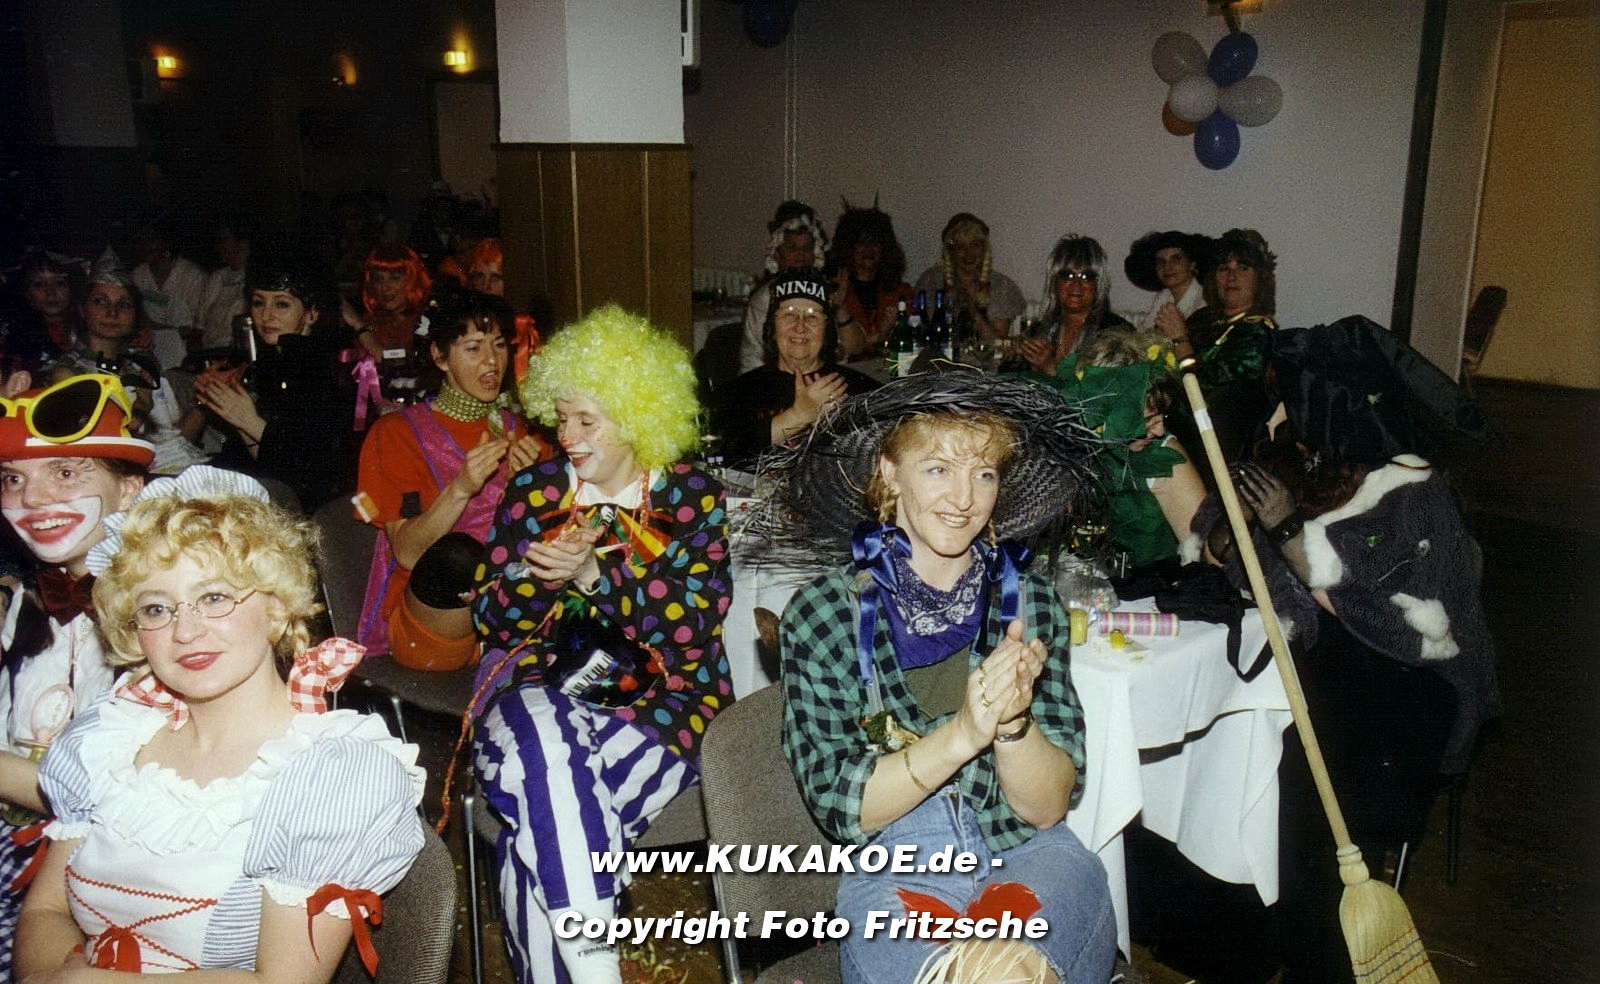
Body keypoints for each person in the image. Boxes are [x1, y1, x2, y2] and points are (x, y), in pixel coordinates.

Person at [765, 369, 1115, 984]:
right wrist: (965, 732)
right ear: (889, 474)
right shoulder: (825, 614)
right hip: (900, 867)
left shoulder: (1028, 605)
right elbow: (844, 807)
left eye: (984, 474)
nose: (963, 498)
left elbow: (1046, 809)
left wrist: (1013, 722)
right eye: (938, 470)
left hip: (1028, 855)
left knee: (1003, 971)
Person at [1189, 316, 1498, 983]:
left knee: (1298, 799)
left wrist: (1286, 532)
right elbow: (1228, 551)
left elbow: (1396, 625)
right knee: (1231, 751)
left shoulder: (1417, 496)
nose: (1283, 419)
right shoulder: (1312, 463)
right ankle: (1242, 944)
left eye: (1296, 405)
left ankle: (1316, 959)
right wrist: (1235, 523)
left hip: (1408, 698)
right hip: (1329, 676)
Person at [17, 476, 424, 978]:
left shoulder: (329, 779)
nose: (185, 631)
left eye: (213, 598)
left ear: (276, 607)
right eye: (156, 608)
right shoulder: (109, 741)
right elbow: (45, 912)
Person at [470, 305, 731, 984]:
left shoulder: (693, 497)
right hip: (542, 689)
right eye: (562, 418)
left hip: (663, 706)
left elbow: (692, 627)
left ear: (639, 418)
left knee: (541, 825)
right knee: (545, 738)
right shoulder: (533, 492)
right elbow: (493, 622)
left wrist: (596, 574)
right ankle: (598, 967)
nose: (568, 436)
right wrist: (536, 577)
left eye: (587, 421)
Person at [0, 373, 151, 979]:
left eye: (65, 473)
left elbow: (106, 799)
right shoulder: (26, 600)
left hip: (98, 872)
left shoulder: (164, 619)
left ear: (130, 489)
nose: (32, 499)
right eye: (12, 478)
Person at [354, 291, 543, 671]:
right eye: (473, 348)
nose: (492, 361)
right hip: (434, 621)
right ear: (440, 357)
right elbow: (408, 553)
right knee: (459, 556)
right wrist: (461, 488)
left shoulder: (521, 431)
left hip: (510, 603)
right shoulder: (395, 433)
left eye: (499, 345)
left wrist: (528, 491)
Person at [196, 254, 358, 510]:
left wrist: (247, 419)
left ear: (311, 314)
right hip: (268, 492)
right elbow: (269, 461)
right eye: (258, 303)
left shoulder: (324, 368)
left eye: (281, 304)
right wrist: (233, 414)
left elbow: (309, 471)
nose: (266, 315)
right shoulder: (273, 362)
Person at [46, 263, 209, 476]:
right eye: (100, 301)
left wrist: (206, 399)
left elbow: (176, 443)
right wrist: (140, 409)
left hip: (177, 473)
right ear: (82, 310)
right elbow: (95, 453)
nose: (112, 312)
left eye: (124, 305)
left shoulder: (142, 362)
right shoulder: (68, 373)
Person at [711, 267, 879, 469]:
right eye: (789, 315)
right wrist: (798, 416)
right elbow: (720, 456)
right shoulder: (740, 392)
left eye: (812, 316)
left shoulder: (858, 391)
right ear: (772, 328)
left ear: (827, 331)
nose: (800, 327)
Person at [1163, 229, 1278, 467]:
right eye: (1224, 268)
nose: (1231, 277)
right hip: (1176, 440)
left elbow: (1205, 395)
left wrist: (1180, 340)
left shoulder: (1258, 333)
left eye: (1243, 268)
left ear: (1260, 278)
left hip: (1224, 456)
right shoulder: (1202, 319)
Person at [1019, 235, 1133, 376]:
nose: (1076, 285)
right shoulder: (1040, 330)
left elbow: (1100, 389)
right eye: (1067, 275)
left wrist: (1050, 369)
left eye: (1086, 277)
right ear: (1054, 282)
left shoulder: (1116, 334)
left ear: (1098, 285)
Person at [738, 202, 829, 373]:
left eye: (807, 248)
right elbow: (758, 359)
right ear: (777, 254)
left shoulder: (823, 292)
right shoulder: (766, 298)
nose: (801, 254)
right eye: (792, 248)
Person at [913, 213, 1028, 342]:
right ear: (950, 251)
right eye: (961, 247)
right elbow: (927, 330)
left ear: (984, 249)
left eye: (974, 245)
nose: (969, 253)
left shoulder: (1001, 285)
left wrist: (974, 312)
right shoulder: (931, 280)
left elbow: (998, 342)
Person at [828, 204, 913, 361]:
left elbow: (911, 344)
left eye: (875, 243)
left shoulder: (901, 292)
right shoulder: (834, 291)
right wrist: (878, 336)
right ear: (848, 248)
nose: (869, 249)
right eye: (861, 243)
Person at [130, 221, 209, 371]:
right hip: (149, 353)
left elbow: (198, 327)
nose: (145, 246)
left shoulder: (192, 275)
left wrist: (170, 334)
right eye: (140, 241)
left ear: (165, 242)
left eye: (151, 240)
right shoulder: (138, 275)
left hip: (187, 355)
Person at [0, 249, 85, 374]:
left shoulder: (89, 329)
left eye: (59, 283)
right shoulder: (14, 336)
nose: (50, 292)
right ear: (27, 292)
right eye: (38, 284)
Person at [351, 243, 432, 361]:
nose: (385, 287)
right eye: (378, 279)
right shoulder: (370, 321)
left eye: (394, 278)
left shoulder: (427, 321)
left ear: (412, 280)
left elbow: (399, 365)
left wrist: (359, 326)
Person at [1124, 230, 1210, 335]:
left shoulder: (1205, 301)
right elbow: (1145, 332)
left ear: (1192, 264)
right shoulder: (1164, 296)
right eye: (1161, 262)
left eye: (1176, 259)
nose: (1167, 267)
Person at [194, 212, 255, 351]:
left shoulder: (255, 277)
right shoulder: (217, 277)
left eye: (224, 240)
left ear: (243, 243)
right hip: (211, 350)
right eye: (218, 241)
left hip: (238, 350)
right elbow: (199, 325)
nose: (219, 246)